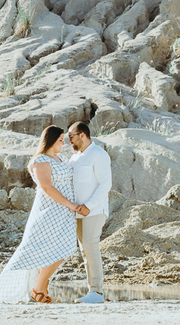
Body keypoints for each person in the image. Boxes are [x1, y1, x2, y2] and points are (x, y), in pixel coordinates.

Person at [0, 125, 89, 303]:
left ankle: (42, 288)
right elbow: (46, 187)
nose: (63, 144)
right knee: (52, 249)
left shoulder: (61, 158)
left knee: (62, 248)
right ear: (50, 141)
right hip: (50, 211)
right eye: (60, 140)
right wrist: (71, 204)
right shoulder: (40, 160)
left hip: (65, 212)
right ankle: (38, 289)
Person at [67, 120, 112, 304]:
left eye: (71, 136)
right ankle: (92, 291)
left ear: (82, 135)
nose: (69, 140)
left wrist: (89, 205)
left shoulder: (99, 154)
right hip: (78, 212)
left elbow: (105, 184)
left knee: (90, 246)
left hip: (94, 210)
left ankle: (97, 292)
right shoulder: (74, 158)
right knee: (85, 250)